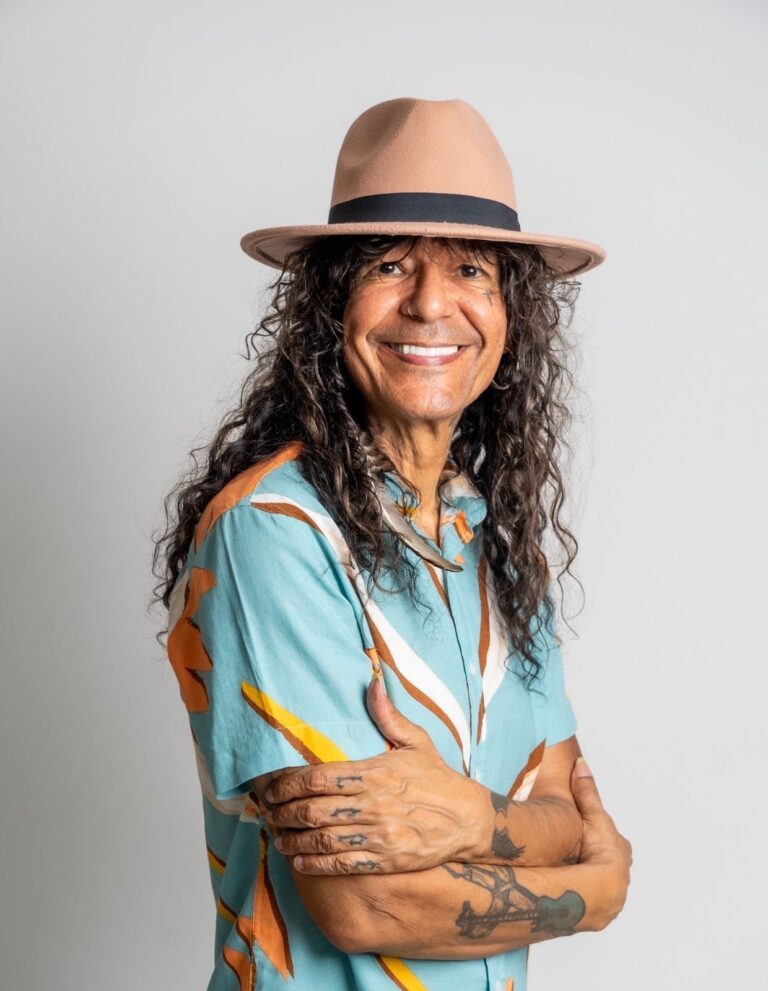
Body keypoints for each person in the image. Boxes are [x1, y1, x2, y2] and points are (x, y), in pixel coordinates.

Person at [154, 97, 632, 991]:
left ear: (510, 312)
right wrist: (589, 895)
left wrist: (473, 818)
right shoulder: (275, 530)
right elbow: (364, 904)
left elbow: (568, 806)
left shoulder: (490, 537)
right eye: (388, 264)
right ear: (331, 302)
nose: (430, 303)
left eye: (471, 270)